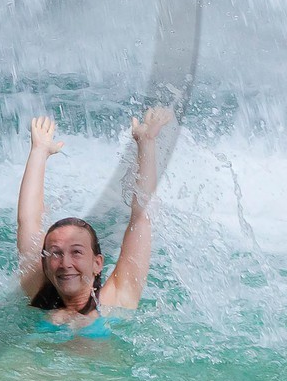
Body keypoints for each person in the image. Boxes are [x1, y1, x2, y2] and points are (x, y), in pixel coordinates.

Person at [15, 107, 172, 327]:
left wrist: (146, 143)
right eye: (56, 253)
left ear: (97, 263)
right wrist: (39, 151)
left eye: (76, 252)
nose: (65, 263)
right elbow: (28, 221)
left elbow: (142, 219)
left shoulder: (116, 300)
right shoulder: (39, 294)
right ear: (46, 264)